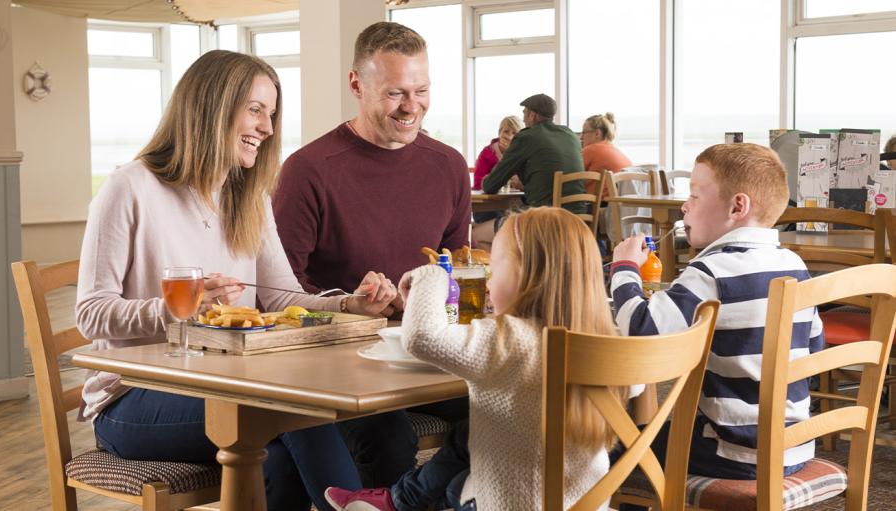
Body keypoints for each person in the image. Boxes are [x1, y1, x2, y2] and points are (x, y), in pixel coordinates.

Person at [75, 50, 398, 511]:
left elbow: (280, 297)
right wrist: (181, 308)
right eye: (255, 109)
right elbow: (90, 314)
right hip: (131, 400)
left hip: (224, 385)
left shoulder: (248, 197)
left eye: (271, 113)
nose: (267, 128)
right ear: (210, 106)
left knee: (280, 451)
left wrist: (350, 304)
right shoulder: (129, 187)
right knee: (290, 412)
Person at [324, 207, 636, 511]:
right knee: (465, 460)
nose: (487, 283)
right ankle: (397, 501)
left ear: (527, 276)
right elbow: (637, 386)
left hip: (510, 503)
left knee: (460, 485)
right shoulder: (612, 342)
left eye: (495, 269)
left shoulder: (507, 339)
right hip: (588, 503)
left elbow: (421, 337)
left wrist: (431, 275)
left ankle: (391, 503)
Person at [272, 22, 471, 488]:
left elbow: (458, 269)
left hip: (426, 352)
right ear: (356, 84)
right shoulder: (307, 170)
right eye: (395, 93)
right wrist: (351, 305)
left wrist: (431, 297)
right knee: (387, 437)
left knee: (513, 403)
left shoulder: (448, 165)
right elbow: (280, 292)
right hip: (341, 361)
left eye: (421, 90)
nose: (411, 106)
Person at [609, 143, 824, 483]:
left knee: (613, 454)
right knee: (655, 436)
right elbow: (814, 348)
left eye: (694, 196)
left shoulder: (713, 271)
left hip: (733, 450)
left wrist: (624, 270)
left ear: (737, 206)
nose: (684, 206)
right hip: (793, 445)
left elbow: (640, 333)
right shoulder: (794, 265)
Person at [473, 93, 586, 250]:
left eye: (525, 113)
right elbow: (551, 175)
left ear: (532, 115)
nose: (524, 119)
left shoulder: (527, 137)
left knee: (476, 235)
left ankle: (518, 274)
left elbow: (490, 185)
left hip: (543, 219)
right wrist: (526, 184)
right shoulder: (570, 135)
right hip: (578, 217)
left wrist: (485, 180)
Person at [472, 115, 522, 224]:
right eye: (506, 131)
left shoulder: (523, 154)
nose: (509, 136)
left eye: (514, 133)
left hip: (514, 204)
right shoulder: (487, 153)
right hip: (488, 207)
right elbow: (477, 183)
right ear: (499, 133)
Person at [581, 112, 632, 195]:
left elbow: (570, 175)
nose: (581, 137)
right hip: (618, 203)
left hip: (600, 204)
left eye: (584, 132)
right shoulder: (614, 149)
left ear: (597, 133)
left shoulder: (592, 149)